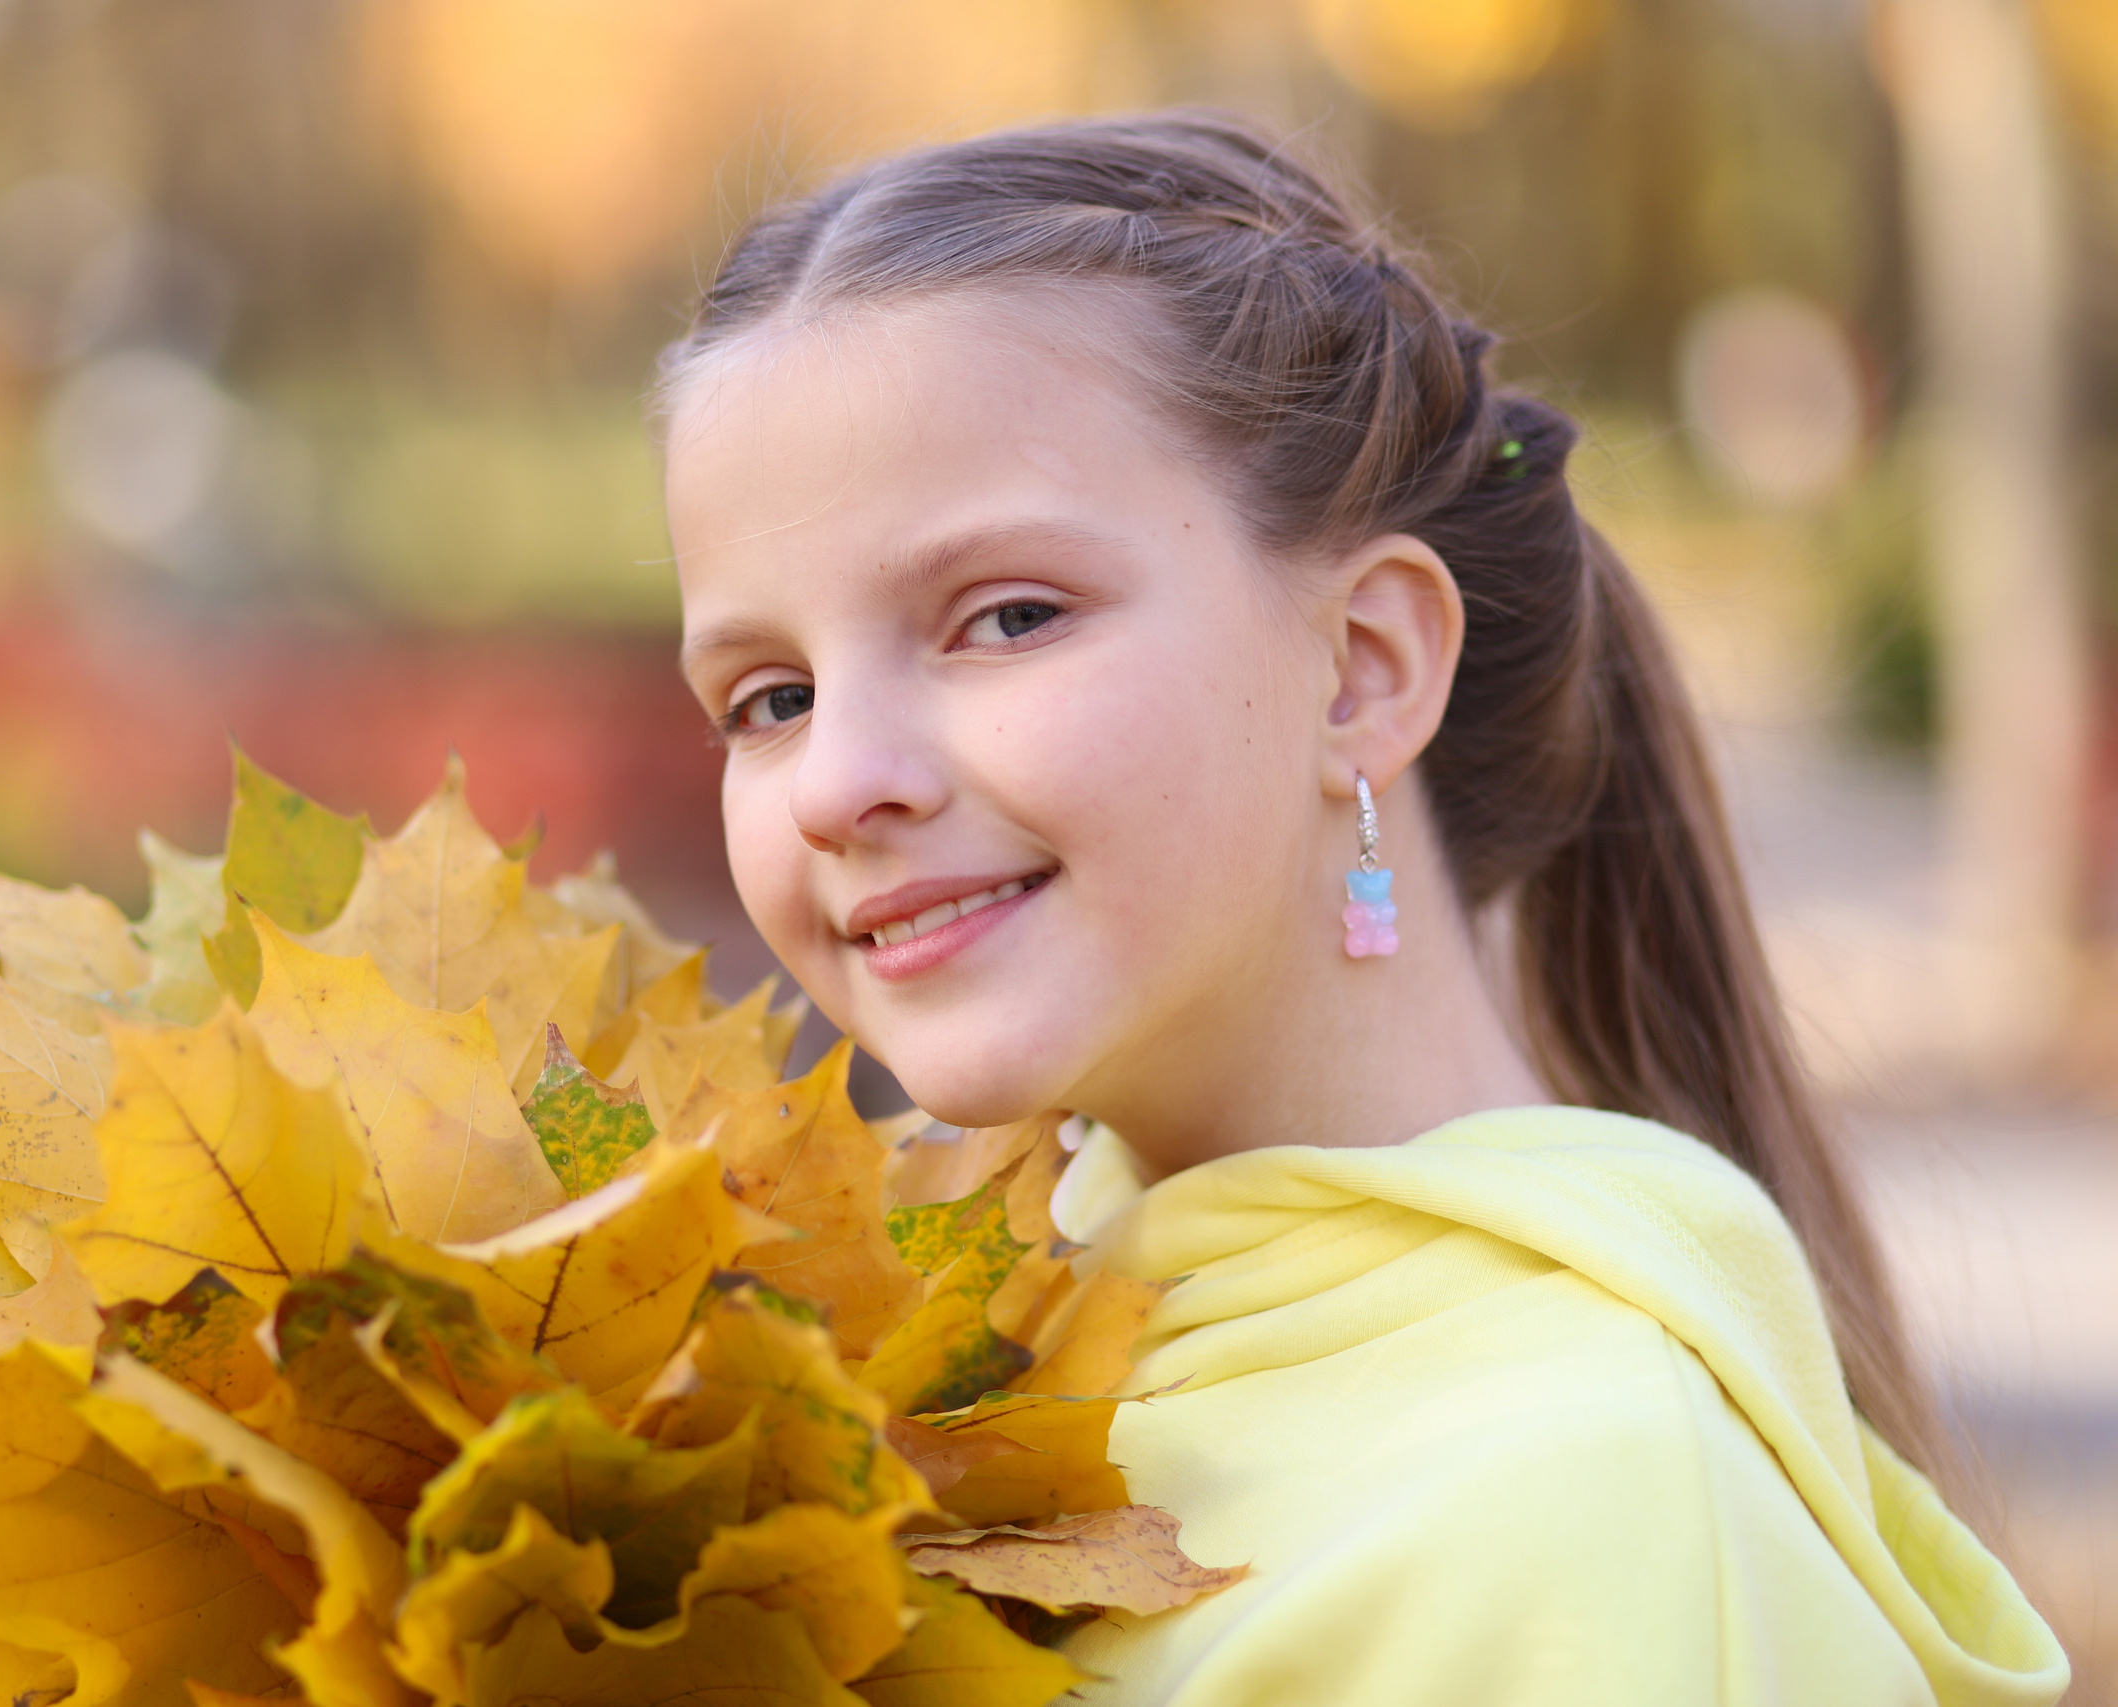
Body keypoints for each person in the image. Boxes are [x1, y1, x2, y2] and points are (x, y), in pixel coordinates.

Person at [656, 112, 2067, 1706]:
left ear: (1365, 668)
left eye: (1006, 617)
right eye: (768, 699)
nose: (841, 781)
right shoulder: (866, 1399)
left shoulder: (1573, 1519)